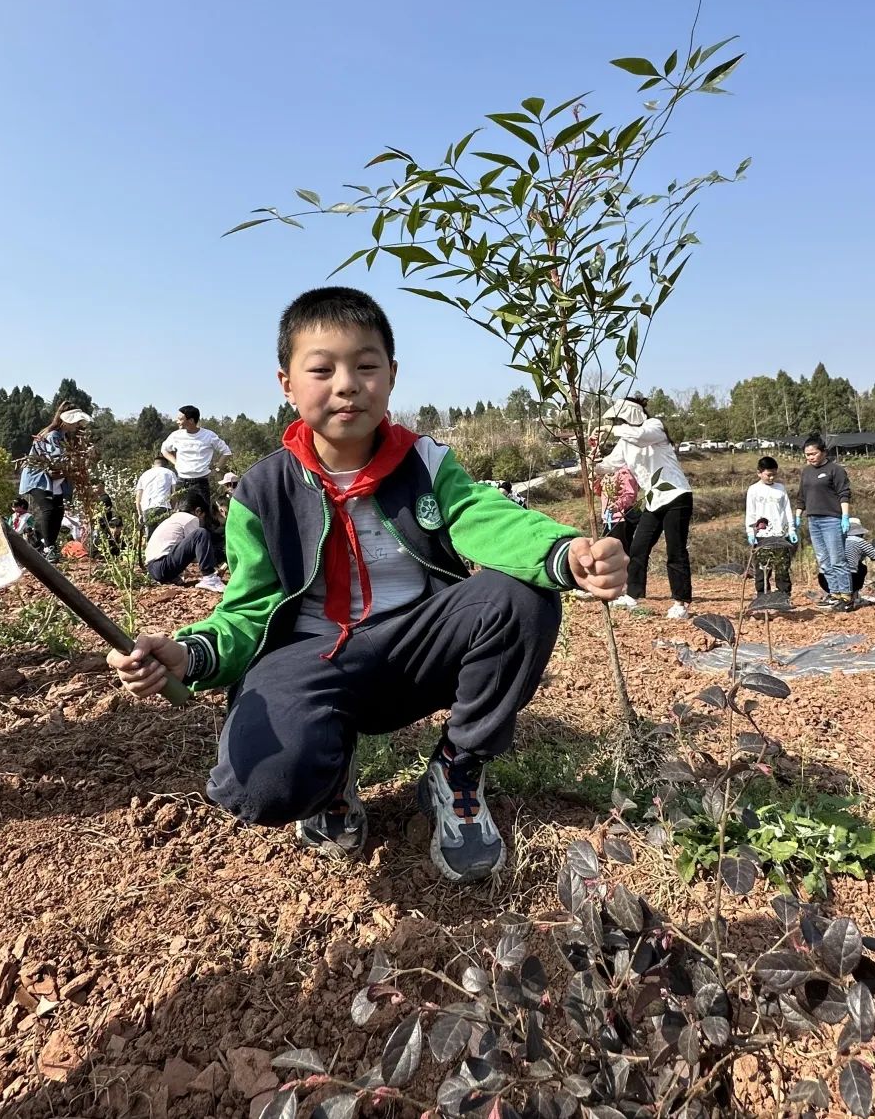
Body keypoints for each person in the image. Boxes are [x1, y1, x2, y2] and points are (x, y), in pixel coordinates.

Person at [106, 287, 625, 885]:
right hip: (309, 658)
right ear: (286, 383)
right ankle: (326, 777)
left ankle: (457, 767)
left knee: (522, 596)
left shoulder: (425, 463)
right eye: (322, 369)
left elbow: (488, 517)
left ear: (392, 375)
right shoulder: (261, 490)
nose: (347, 384)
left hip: (414, 650)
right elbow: (245, 611)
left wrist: (567, 553)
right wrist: (190, 651)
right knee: (264, 784)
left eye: (366, 366)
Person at [596, 398, 694, 618]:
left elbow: (640, 438)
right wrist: (590, 461)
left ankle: (681, 603)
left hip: (676, 496)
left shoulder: (654, 427)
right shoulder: (624, 443)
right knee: (638, 548)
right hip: (654, 500)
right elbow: (610, 464)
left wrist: (609, 429)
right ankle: (632, 595)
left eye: (619, 419)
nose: (617, 423)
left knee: (675, 551)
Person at [17, 405, 89, 561]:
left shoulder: (63, 436)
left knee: (58, 511)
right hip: (39, 478)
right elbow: (56, 459)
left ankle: (40, 545)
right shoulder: (53, 435)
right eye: (75, 421)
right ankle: (49, 547)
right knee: (49, 509)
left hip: (53, 481)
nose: (77, 425)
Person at [795, 435, 853, 612]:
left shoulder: (835, 470)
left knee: (837, 559)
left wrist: (845, 516)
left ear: (823, 452)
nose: (810, 457)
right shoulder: (806, 472)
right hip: (814, 520)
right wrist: (797, 516)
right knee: (824, 560)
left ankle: (846, 596)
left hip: (831, 519)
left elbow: (844, 493)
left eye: (813, 453)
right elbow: (801, 496)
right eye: (807, 454)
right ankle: (834, 593)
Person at [143, 491, 226, 591]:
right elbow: (196, 554)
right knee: (200, 533)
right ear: (198, 511)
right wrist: (217, 558)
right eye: (203, 517)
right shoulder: (190, 519)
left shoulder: (174, 519)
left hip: (153, 569)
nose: (202, 521)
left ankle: (172, 577)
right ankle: (210, 579)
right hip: (162, 565)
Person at [745, 457, 797, 596]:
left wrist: (791, 529)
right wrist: (751, 532)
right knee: (762, 569)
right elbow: (750, 512)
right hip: (763, 536)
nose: (771, 477)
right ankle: (762, 597)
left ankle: (784, 597)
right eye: (768, 474)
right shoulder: (754, 490)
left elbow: (787, 510)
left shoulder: (780, 489)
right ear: (759, 473)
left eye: (774, 474)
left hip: (780, 534)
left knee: (782, 568)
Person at [160, 407, 231, 507]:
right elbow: (164, 450)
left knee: (203, 514)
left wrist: (217, 470)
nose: (177, 422)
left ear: (191, 420)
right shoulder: (175, 435)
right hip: (182, 480)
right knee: (183, 513)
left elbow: (227, 452)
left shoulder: (208, 435)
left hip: (201, 481)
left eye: (180, 419)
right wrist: (176, 463)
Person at [816, 517, 875, 605]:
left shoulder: (832, 540)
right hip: (847, 581)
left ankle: (832, 596)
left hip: (824, 580)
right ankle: (853, 597)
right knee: (861, 568)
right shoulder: (859, 541)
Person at [135, 456, 179, 535]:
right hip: (164, 506)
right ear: (166, 465)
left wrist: (140, 513)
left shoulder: (144, 475)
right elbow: (174, 493)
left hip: (147, 507)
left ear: (153, 464)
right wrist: (173, 508)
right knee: (164, 535)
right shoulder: (170, 473)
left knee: (150, 535)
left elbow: (138, 496)